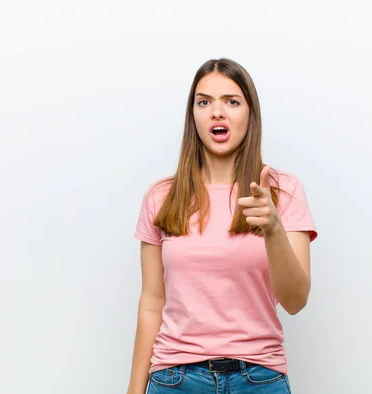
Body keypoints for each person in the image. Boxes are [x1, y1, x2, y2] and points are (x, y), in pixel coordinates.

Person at [127, 58, 318, 394]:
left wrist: (273, 229)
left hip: (260, 379)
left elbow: (295, 300)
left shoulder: (284, 191)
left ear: (250, 114)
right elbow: (152, 302)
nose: (217, 112)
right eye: (204, 102)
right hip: (175, 380)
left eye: (231, 101)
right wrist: (133, 390)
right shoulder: (161, 197)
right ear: (194, 117)